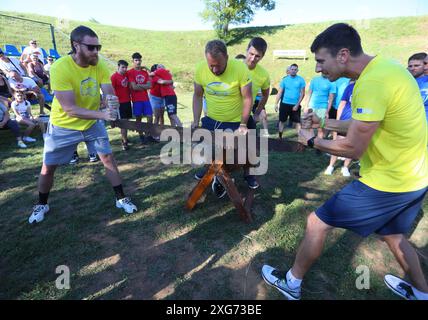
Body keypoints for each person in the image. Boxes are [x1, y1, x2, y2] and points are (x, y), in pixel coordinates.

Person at [262, 23, 428, 301]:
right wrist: (325, 122)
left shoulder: (371, 83)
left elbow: (353, 147)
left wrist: (311, 140)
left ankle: (291, 283)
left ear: (342, 55)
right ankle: (423, 293)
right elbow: (363, 122)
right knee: (394, 234)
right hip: (418, 175)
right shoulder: (385, 68)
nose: (317, 69)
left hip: (391, 180)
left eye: (320, 61)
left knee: (316, 223)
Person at [27, 25, 137, 224]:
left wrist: (112, 106)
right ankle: (42, 203)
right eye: (91, 47)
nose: (96, 52)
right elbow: (70, 108)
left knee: (108, 159)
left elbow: (109, 91)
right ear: (76, 45)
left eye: (98, 47)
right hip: (63, 126)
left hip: (93, 123)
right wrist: (103, 114)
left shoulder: (99, 65)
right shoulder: (60, 67)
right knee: (48, 168)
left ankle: (121, 198)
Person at [192, 39, 256, 195]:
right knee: (205, 146)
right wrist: (195, 120)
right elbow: (198, 95)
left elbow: (248, 98)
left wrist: (243, 124)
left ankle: (248, 174)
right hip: (212, 118)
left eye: (218, 65)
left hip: (235, 119)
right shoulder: (200, 69)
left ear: (227, 57)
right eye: (211, 65)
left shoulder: (240, 69)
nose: (214, 69)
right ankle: (213, 171)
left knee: (243, 150)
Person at [324, 80, 355, 177]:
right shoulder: (350, 87)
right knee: (337, 145)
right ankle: (331, 166)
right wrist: (337, 121)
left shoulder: (368, 89)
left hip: (357, 123)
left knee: (351, 147)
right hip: (344, 120)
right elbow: (342, 104)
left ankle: (345, 167)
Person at [244, 37, 270, 135]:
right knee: (228, 148)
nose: (253, 58)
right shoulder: (234, 66)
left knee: (251, 147)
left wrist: (257, 113)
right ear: (247, 50)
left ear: (262, 56)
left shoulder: (264, 74)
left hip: (247, 117)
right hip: (228, 116)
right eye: (251, 54)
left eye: (257, 56)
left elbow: (265, 95)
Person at [128, 52, 154, 144]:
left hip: (146, 99)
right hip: (136, 100)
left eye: (139, 60)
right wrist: (144, 86)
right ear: (133, 61)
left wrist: (139, 85)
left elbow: (150, 85)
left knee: (150, 117)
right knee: (138, 118)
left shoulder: (144, 72)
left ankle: (149, 135)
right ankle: (141, 136)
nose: (138, 62)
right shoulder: (130, 72)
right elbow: (133, 87)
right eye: (136, 60)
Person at [275, 64, 306, 139]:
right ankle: (280, 137)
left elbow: (302, 93)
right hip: (284, 104)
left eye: (295, 69)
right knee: (282, 121)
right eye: (292, 69)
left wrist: (297, 105)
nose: (293, 71)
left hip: (295, 105)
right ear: (289, 70)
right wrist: (276, 103)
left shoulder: (301, 80)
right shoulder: (285, 80)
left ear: (297, 71)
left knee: (298, 122)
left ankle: (300, 138)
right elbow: (280, 92)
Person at [305, 74, 336, 139]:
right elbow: (309, 93)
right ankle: (311, 142)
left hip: (323, 107)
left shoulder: (332, 82)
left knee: (320, 127)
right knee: (309, 125)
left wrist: (327, 111)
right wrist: (306, 106)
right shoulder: (314, 79)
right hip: (311, 106)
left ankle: (318, 144)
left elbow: (331, 98)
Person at [111, 59, 132, 150]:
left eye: (126, 67)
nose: (124, 69)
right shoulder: (114, 77)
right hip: (120, 103)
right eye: (123, 67)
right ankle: (124, 142)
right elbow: (111, 90)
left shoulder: (126, 75)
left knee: (126, 122)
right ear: (118, 67)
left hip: (127, 101)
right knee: (123, 123)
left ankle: (125, 138)